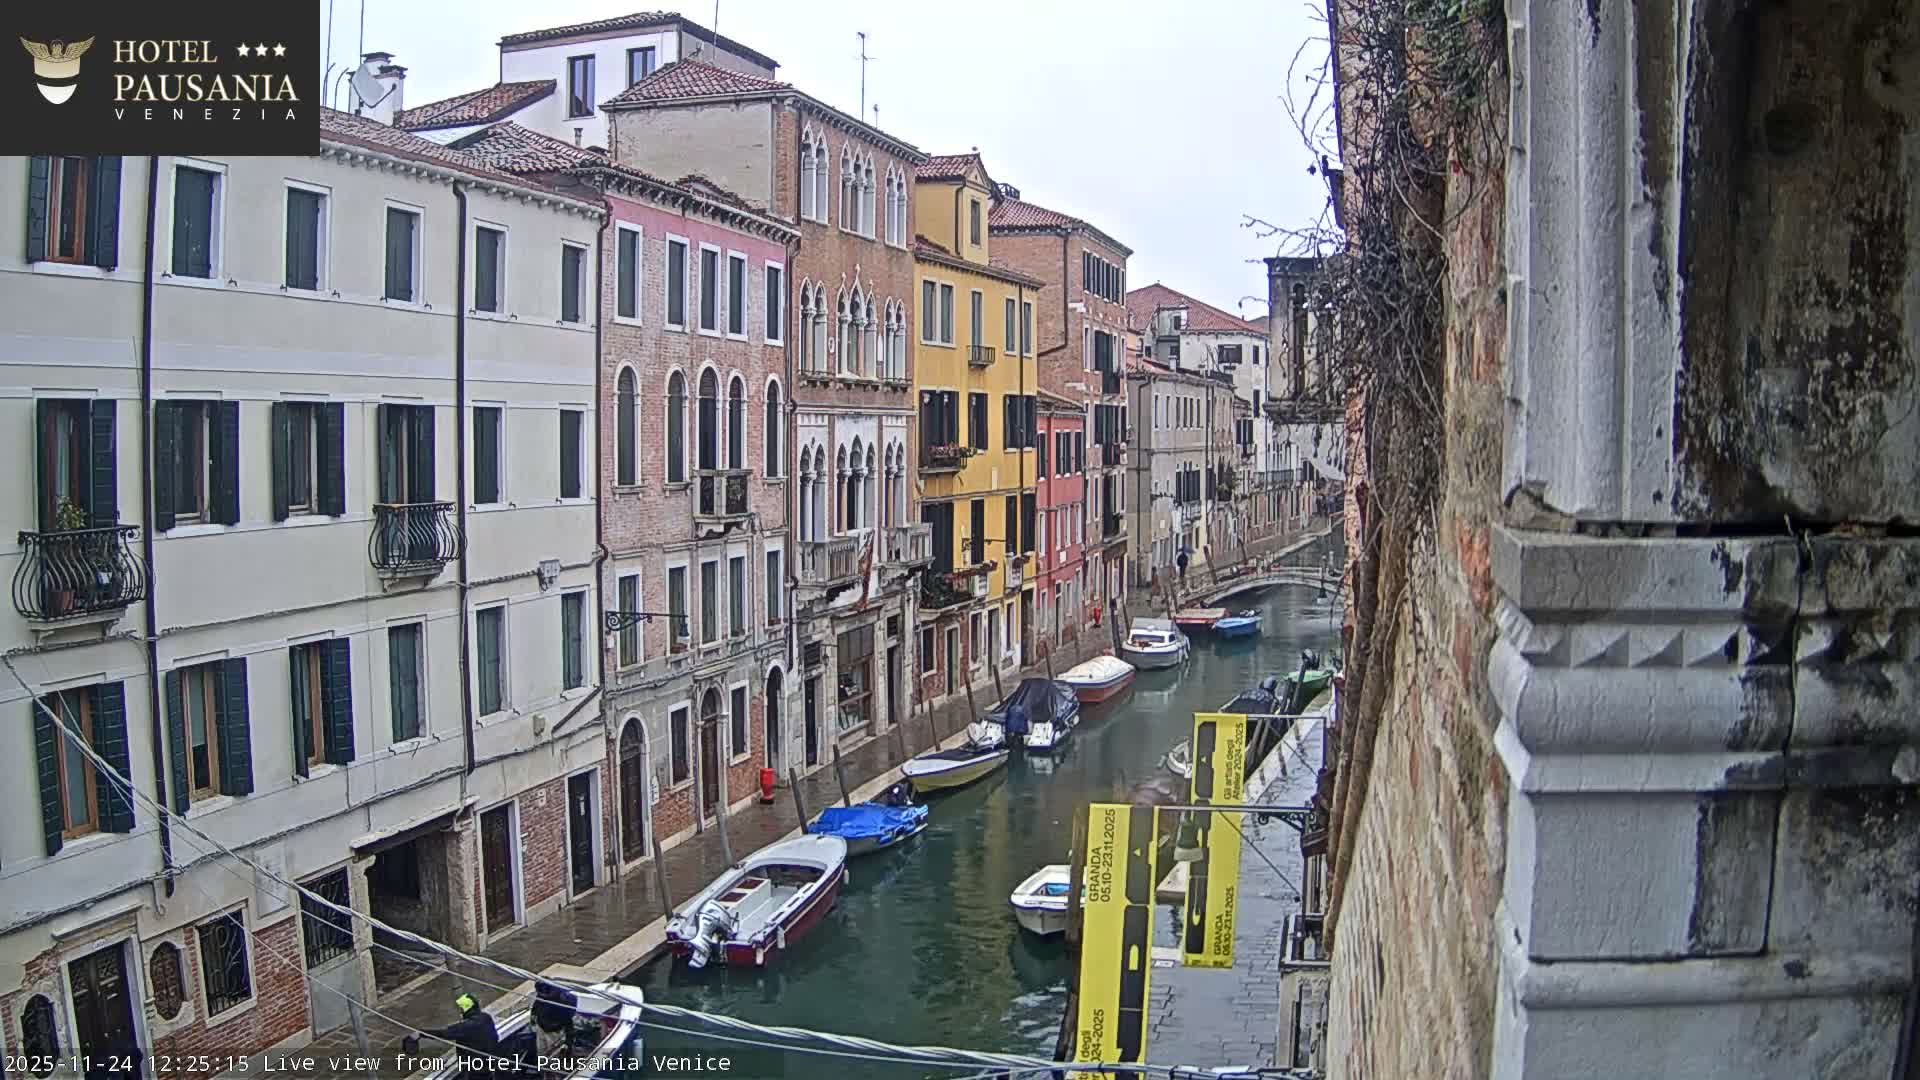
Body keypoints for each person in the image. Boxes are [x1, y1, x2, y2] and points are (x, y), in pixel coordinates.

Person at [403, 992, 500, 1069]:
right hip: (490, 1061)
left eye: (460, 1009)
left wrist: (421, 1033)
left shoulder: (466, 1026)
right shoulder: (486, 1017)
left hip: (474, 1066)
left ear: (464, 1009)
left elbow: (444, 1033)